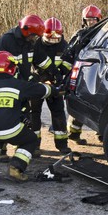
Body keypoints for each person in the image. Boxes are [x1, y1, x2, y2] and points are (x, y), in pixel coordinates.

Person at [0, 51, 56, 182]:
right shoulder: (17, 84)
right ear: (11, 68)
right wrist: (53, 89)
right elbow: (39, 90)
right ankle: (16, 167)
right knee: (30, 140)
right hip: (9, 128)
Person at [0, 15, 45, 145]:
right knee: (5, 116)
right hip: (6, 86)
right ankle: (1, 149)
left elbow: (39, 60)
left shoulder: (29, 42)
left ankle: (23, 146)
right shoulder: (7, 41)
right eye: (33, 36)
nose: (34, 39)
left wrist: (51, 74)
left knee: (24, 115)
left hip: (22, 86)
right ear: (26, 30)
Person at [33, 17, 73, 153]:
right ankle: (34, 145)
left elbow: (68, 62)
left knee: (58, 113)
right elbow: (34, 63)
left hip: (55, 84)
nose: (52, 41)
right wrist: (46, 77)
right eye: (49, 38)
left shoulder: (64, 45)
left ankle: (62, 144)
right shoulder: (36, 45)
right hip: (37, 82)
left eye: (56, 38)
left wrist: (61, 75)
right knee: (34, 113)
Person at [66, 5, 102, 142]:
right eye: (88, 20)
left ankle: (100, 133)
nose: (91, 22)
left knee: (98, 103)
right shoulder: (80, 35)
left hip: (97, 72)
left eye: (93, 20)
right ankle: (74, 133)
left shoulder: (105, 34)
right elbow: (70, 53)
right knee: (80, 101)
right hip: (81, 72)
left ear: (99, 19)